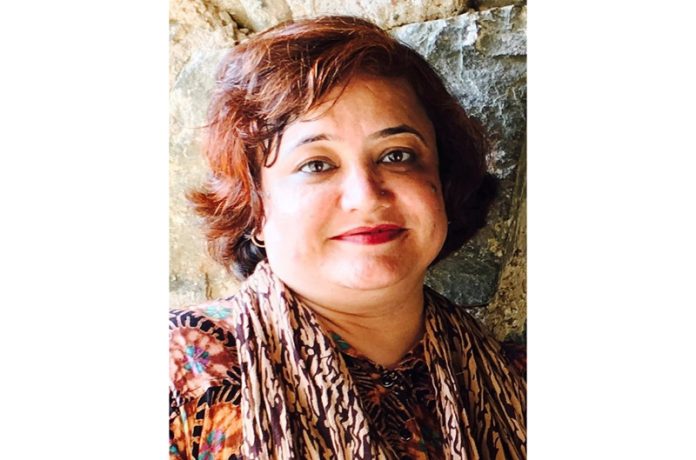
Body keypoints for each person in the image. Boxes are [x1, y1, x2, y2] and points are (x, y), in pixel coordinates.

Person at [169, 15, 526, 460]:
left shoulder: (519, 385)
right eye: (316, 164)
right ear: (255, 208)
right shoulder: (178, 377)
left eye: (397, 155)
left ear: (444, 183)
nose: (366, 196)